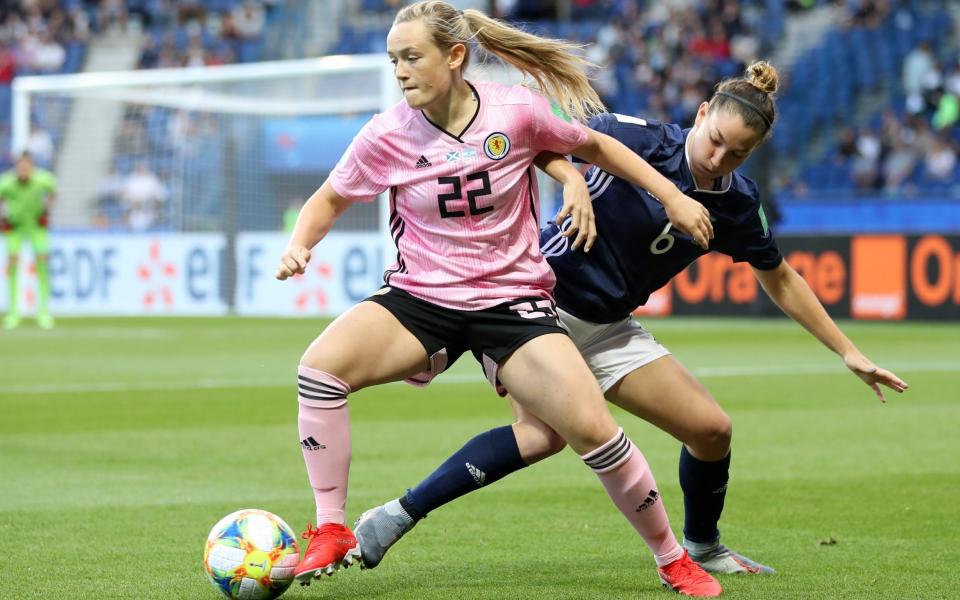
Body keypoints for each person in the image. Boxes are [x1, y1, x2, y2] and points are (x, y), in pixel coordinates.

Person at [353, 61, 910, 576]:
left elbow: (781, 277)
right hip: (535, 310)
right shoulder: (636, 136)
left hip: (610, 327)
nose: (718, 159)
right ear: (699, 116)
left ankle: (704, 546)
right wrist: (573, 183)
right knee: (542, 437)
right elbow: (544, 140)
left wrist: (847, 351)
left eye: (736, 154)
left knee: (712, 430)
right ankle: (398, 513)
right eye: (715, 140)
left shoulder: (738, 204)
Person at [276, 2, 722, 596]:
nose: (400, 72)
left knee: (594, 431)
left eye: (412, 57)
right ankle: (331, 527)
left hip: (511, 303)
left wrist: (671, 197)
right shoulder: (386, 134)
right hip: (421, 297)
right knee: (319, 371)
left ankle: (673, 559)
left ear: (455, 56)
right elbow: (328, 199)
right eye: (394, 60)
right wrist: (301, 245)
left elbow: (597, 148)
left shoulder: (515, 112)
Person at [1, 152, 57, 330]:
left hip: (36, 227)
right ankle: (14, 313)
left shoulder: (43, 179)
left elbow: (53, 193)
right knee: (13, 265)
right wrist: (3, 218)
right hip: (15, 228)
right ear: (17, 166)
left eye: (26, 165)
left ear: (31, 166)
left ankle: (42, 313)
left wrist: (47, 211)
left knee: (42, 264)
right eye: (21, 165)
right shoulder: (7, 182)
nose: (23, 169)